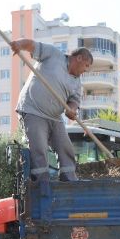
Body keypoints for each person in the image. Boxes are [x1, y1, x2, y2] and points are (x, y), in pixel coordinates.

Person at [10, 38, 93, 182]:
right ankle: (42, 185)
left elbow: (74, 101)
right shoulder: (54, 55)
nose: (85, 70)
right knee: (39, 149)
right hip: (33, 110)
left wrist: (72, 111)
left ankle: (69, 180)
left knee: (66, 147)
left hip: (55, 117)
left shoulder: (76, 81)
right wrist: (19, 45)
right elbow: (32, 45)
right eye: (86, 65)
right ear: (79, 58)